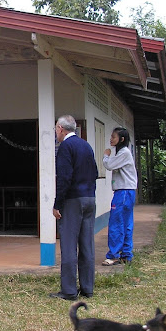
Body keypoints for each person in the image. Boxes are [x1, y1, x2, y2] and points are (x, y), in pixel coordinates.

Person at [49, 115, 99, 301]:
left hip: (72, 200)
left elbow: (64, 178)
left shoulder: (65, 147)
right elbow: (94, 172)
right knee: (87, 244)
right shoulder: (86, 146)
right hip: (89, 198)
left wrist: (57, 204)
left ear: (61, 128)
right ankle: (88, 288)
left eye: (56, 129)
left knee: (69, 245)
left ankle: (69, 290)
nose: (56, 132)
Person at [102, 127, 137, 266]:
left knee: (116, 223)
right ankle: (126, 254)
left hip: (123, 192)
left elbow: (109, 165)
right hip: (128, 191)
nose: (111, 139)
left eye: (113, 137)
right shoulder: (123, 153)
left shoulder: (123, 153)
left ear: (121, 139)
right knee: (126, 223)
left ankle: (114, 255)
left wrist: (106, 155)